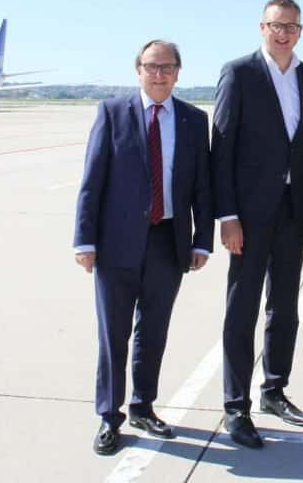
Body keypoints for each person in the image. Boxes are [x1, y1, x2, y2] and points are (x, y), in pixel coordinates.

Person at [72, 40, 213, 456]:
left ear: (178, 72)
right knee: (113, 333)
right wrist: (84, 240)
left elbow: (202, 187)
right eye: (151, 66)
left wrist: (201, 238)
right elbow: (91, 182)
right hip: (115, 245)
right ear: (138, 70)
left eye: (167, 67)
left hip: (168, 241)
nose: (159, 74)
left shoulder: (192, 120)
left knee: (153, 332)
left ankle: (143, 407)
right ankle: (109, 417)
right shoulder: (112, 113)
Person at [212, 0, 303, 449]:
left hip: (292, 210)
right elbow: (220, 149)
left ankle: (274, 390)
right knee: (242, 308)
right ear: (262, 27)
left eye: (292, 26)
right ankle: (235, 406)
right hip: (248, 214)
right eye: (276, 25)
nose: (284, 33)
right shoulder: (239, 73)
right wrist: (227, 216)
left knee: (284, 305)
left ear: (301, 31)